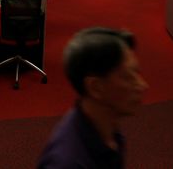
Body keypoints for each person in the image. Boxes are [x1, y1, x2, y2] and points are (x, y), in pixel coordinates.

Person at [37, 27, 148, 169]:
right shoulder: (67, 162)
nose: (143, 85)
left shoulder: (108, 131)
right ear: (95, 87)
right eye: (128, 77)